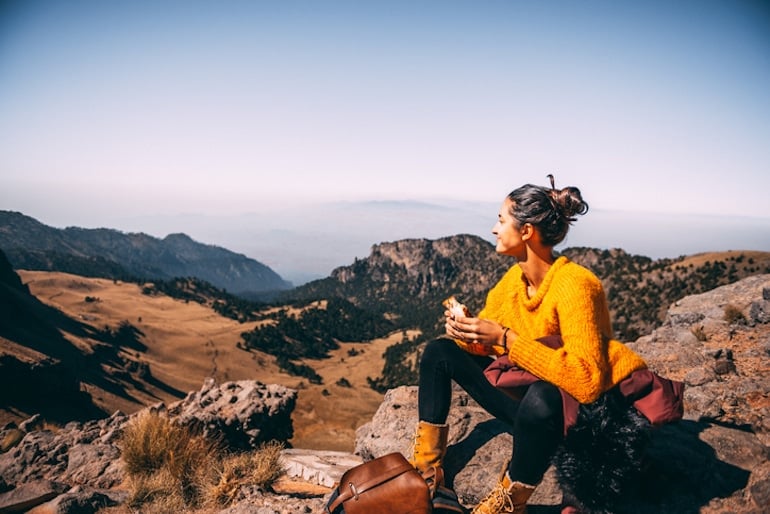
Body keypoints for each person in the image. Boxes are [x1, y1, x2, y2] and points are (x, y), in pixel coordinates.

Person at [408, 175, 650, 514]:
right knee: (439, 352)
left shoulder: (576, 285)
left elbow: (586, 381)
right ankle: (427, 471)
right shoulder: (514, 281)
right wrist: (468, 333)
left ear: (526, 231)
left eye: (501, 219)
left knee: (542, 395)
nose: (494, 228)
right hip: (529, 407)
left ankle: (510, 502)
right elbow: (489, 347)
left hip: (575, 415)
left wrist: (506, 339)